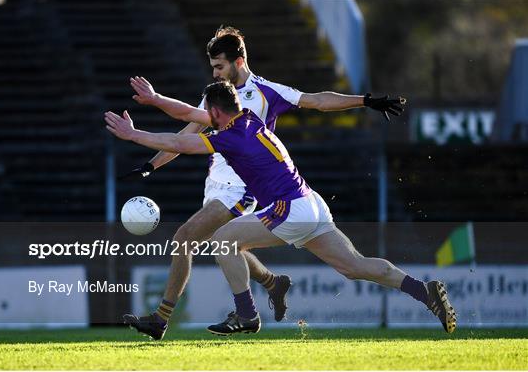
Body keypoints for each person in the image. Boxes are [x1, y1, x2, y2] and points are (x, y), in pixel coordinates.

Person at [105, 81, 456, 337]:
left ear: (213, 112)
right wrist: (156, 101)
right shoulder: (250, 120)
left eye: (207, 112)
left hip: (290, 208)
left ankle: (246, 314)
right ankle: (423, 291)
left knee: (225, 241)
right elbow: (186, 116)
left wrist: (134, 135)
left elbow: (178, 141)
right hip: (312, 204)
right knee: (354, 266)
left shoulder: (228, 136)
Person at [120, 26, 404, 340]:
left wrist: (364, 100)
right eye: (212, 67)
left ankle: (162, 319)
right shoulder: (217, 96)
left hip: (242, 187)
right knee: (226, 245)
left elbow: (318, 100)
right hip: (215, 183)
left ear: (238, 61)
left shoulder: (267, 92)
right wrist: (150, 165)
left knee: (185, 237)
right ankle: (272, 282)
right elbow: (187, 132)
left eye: (219, 66)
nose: (214, 73)